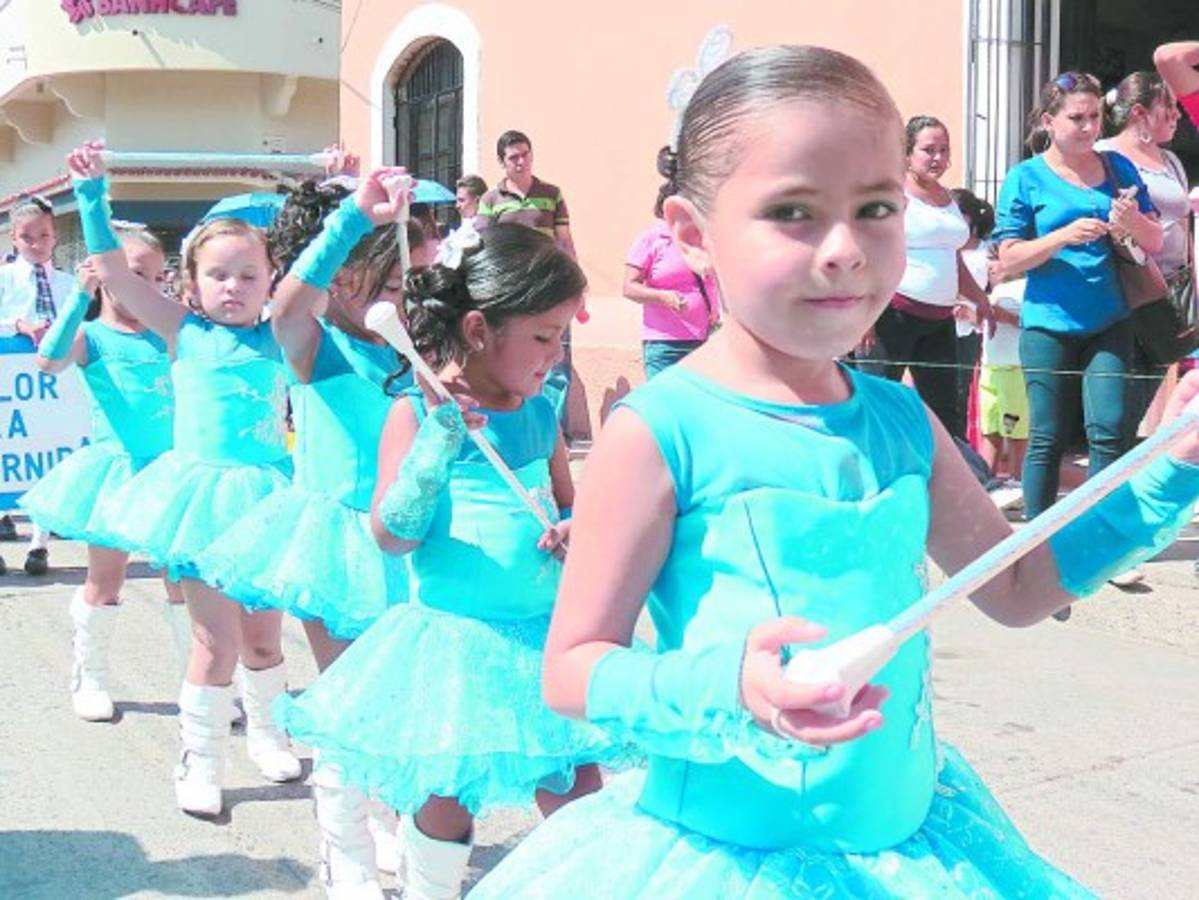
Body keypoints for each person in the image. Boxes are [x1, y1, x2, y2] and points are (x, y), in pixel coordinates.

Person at [469, 45, 1199, 899]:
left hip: (907, 847)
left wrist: (1168, 469)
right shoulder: (661, 430)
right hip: (720, 860)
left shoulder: (896, 419)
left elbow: (1018, 583)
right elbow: (572, 668)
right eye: (792, 212)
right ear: (692, 233)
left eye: (875, 206)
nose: (845, 249)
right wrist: (725, 687)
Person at [276, 223, 629, 900]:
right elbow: (392, 534)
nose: (555, 357)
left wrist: (572, 527)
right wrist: (436, 449)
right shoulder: (416, 413)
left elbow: (567, 501)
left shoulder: (539, 408)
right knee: (444, 800)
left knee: (577, 788)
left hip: (544, 634)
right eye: (543, 336)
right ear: (477, 328)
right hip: (454, 645)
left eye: (561, 338)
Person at [192, 172, 428, 897]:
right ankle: (343, 849)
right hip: (337, 544)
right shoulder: (312, 343)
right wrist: (354, 217)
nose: (402, 292)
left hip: (412, 542)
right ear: (346, 276)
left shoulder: (412, 348)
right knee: (352, 694)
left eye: (410, 278)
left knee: (399, 700)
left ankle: (385, 813)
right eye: (388, 277)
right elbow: (291, 297)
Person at [66, 140, 303, 818]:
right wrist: (92, 193)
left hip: (267, 500)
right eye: (218, 275)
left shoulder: (281, 334)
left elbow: (320, 276)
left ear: (269, 282)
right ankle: (199, 757)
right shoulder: (181, 330)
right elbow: (113, 270)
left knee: (263, 638)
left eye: (248, 276)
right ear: (190, 284)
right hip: (201, 505)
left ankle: (266, 729)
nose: (232, 287)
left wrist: (341, 203)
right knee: (214, 639)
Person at [995, 72, 1163, 607]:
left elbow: (1156, 239)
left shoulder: (1117, 167)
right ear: (1049, 123)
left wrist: (1127, 219)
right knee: (1046, 435)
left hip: (1110, 317)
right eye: (1076, 118)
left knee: (1110, 429)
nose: (1089, 127)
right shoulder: (1025, 177)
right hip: (1047, 322)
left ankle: (1101, 546)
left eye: (1095, 117)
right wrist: (1062, 236)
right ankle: (1036, 547)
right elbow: (1007, 258)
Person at [18, 226, 183, 721]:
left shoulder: (170, 333)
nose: (146, 288)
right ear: (105, 273)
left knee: (181, 583)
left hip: (172, 475)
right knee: (106, 580)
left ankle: (199, 681)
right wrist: (80, 295)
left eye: (156, 278)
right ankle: (90, 674)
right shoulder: (92, 336)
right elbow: (48, 360)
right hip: (115, 474)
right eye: (135, 275)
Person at [858, 116, 993, 440]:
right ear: (907, 154)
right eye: (928, 150)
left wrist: (980, 299)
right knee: (880, 403)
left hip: (939, 319)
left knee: (946, 411)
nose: (938, 158)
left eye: (944, 150)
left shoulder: (948, 198)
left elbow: (952, 256)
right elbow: (867, 250)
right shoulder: (892, 194)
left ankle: (943, 484)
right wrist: (865, 316)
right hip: (894, 314)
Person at [1096, 72, 1190, 446]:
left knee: (1151, 382)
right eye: (1169, 107)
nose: (1178, 116)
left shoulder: (1169, 160)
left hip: (1172, 292)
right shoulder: (1106, 156)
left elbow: (1184, 222)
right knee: (1120, 406)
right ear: (1139, 112)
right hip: (1130, 291)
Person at [476, 130, 579, 431]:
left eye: (525, 154)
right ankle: (522, 425)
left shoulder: (552, 194)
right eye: (513, 157)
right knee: (513, 360)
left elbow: (565, 242)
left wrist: (578, 284)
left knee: (557, 365)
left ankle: (553, 432)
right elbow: (481, 243)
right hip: (512, 293)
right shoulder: (490, 199)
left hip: (552, 287)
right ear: (502, 162)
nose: (521, 162)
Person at [0, 195, 74, 572]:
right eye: (27, 236)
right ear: (14, 238)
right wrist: (17, 326)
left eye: (43, 235)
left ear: (54, 236)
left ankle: (39, 545)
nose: (36, 243)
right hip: (9, 381)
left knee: (47, 457)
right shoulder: (4, 279)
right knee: (9, 455)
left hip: (52, 384)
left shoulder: (69, 283)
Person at [624, 146, 721, 379]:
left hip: (704, 341)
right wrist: (663, 297)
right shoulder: (653, 239)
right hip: (664, 344)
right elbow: (629, 287)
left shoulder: (707, 240)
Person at [949, 187, 996, 440]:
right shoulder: (943, 249)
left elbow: (1001, 292)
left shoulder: (987, 252)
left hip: (971, 332)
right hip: (939, 327)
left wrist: (976, 310)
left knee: (961, 393)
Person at [978, 275, 1031, 483]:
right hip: (990, 366)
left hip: (1015, 368)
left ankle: (1018, 479)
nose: (990, 266)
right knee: (990, 427)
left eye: (995, 259)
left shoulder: (1028, 287)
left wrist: (1007, 316)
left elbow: (1035, 323)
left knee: (1016, 427)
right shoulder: (996, 290)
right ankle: (985, 477)